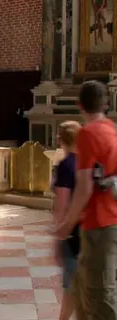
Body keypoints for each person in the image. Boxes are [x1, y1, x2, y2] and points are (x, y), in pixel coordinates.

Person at [55, 81, 117, 320]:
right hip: (106, 221)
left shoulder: (88, 133)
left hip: (100, 224)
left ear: (79, 105)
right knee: (82, 290)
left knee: (101, 295)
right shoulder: (111, 129)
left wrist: (66, 225)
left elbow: (83, 187)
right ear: (106, 103)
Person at [54, 120, 83, 320]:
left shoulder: (65, 165)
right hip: (90, 228)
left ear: (60, 140)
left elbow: (62, 205)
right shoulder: (88, 162)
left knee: (71, 285)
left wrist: (59, 237)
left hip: (72, 231)